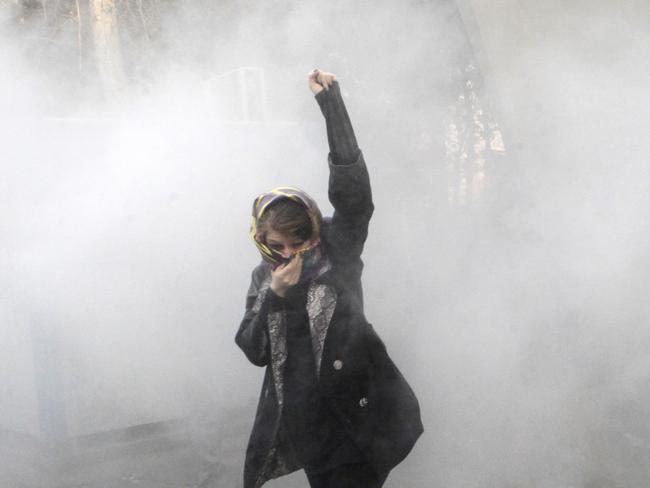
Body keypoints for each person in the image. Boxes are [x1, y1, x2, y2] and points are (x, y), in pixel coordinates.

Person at [235, 69, 423, 488]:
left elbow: (354, 198)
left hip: (355, 419)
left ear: (312, 233)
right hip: (306, 423)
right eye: (276, 246)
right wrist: (276, 298)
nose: (287, 255)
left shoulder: (336, 250)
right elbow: (253, 350)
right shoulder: (263, 278)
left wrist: (331, 105)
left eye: (296, 243)